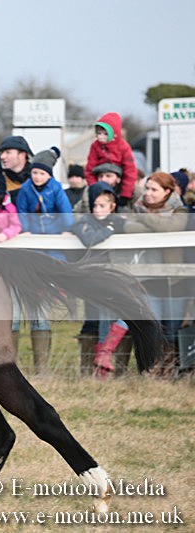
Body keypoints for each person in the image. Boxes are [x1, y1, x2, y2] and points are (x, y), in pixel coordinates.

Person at [15, 147, 73, 373]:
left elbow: (65, 211)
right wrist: (25, 229)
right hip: (33, 240)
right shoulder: (26, 189)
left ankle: (57, 290)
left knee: (53, 269)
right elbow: (21, 211)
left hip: (53, 238)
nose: (37, 177)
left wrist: (67, 229)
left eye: (41, 174)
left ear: (49, 175)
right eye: (34, 173)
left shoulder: (57, 189)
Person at [124, 172, 188, 377]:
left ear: (167, 192)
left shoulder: (179, 209)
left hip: (174, 279)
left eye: (154, 190)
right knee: (152, 325)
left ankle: (169, 372)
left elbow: (171, 227)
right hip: (147, 278)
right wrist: (154, 224)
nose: (148, 194)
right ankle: (152, 370)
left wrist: (146, 219)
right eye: (147, 188)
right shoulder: (138, 206)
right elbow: (128, 228)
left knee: (172, 328)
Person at [70, 182, 131, 378]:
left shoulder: (121, 222)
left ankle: (104, 357)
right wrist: (110, 230)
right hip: (94, 278)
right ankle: (101, 362)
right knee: (102, 314)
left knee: (123, 313)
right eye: (95, 205)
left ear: (112, 206)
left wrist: (114, 226)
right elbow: (89, 239)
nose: (97, 210)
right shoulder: (84, 222)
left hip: (118, 277)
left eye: (102, 205)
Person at [84, 112, 138, 210]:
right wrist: (96, 187)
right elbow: (89, 170)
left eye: (105, 133)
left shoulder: (123, 147)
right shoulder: (95, 146)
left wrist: (126, 194)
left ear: (114, 133)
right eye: (99, 133)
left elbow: (130, 171)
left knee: (131, 199)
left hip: (120, 183)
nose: (101, 136)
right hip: (100, 183)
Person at [0, 136, 33, 204]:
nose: (2, 157)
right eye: (1, 152)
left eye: (8, 152)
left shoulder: (40, 177)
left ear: (22, 155)